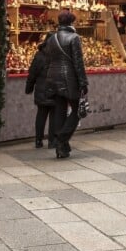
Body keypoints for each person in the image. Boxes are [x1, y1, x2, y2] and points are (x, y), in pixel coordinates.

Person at [45, 10, 88, 159]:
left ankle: (61, 148)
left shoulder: (51, 38)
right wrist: (83, 82)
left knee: (59, 111)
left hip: (53, 76)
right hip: (68, 78)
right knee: (77, 110)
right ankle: (61, 139)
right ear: (71, 22)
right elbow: (78, 62)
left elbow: (48, 59)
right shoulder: (74, 37)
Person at [25, 35, 56, 149]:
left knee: (41, 115)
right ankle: (52, 141)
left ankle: (38, 140)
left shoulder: (39, 55)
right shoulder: (58, 55)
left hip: (41, 90)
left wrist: (29, 88)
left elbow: (32, 73)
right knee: (54, 116)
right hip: (55, 90)